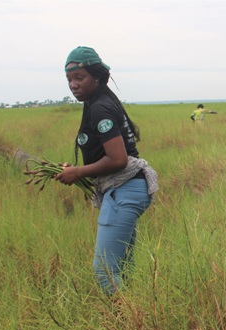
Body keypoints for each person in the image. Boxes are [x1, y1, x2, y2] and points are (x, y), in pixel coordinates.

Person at [55, 46, 159, 296]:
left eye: (80, 78)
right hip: (127, 189)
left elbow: (118, 159)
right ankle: (135, 319)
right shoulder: (97, 103)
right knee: (122, 268)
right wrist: (76, 170)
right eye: (70, 79)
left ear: (97, 77)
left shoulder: (100, 107)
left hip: (124, 189)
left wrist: (78, 172)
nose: (73, 85)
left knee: (104, 271)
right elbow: (106, 156)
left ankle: (131, 328)